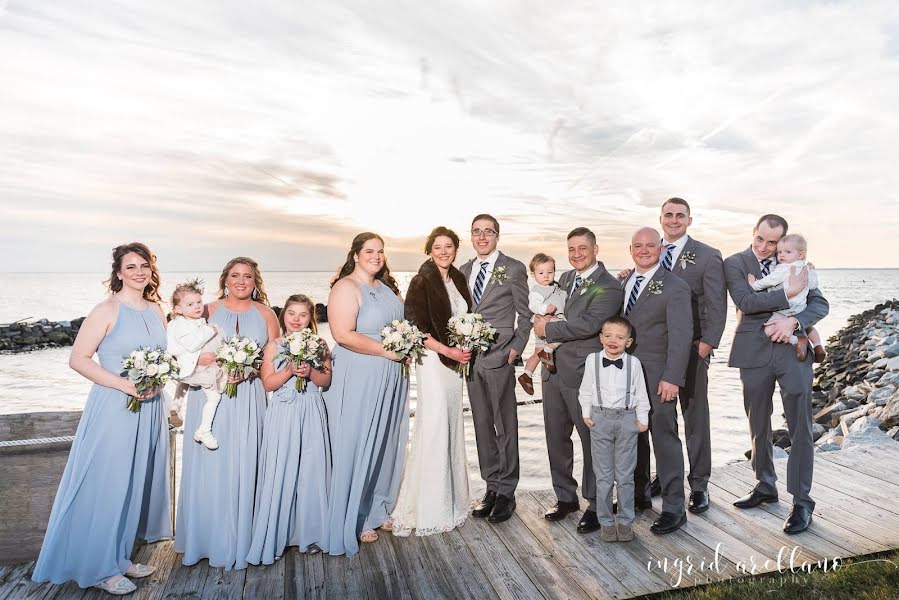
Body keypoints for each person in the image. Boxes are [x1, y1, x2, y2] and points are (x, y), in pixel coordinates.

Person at [32, 243, 171, 595]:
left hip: (149, 408)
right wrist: (126, 384)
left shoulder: (157, 310)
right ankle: (99, 567)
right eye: (131, 266)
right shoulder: (106, 309)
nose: (139, 272)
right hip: (115, 407)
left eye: (144, 265)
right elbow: (78, 359)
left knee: (133, 484)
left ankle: (120, 557)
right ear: (119, 272)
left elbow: (164, 357)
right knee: (108, 484)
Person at [724, 214, 828, 534]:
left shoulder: (798, 265)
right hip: (752, 352)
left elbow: (820, 304)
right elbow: (746, 300)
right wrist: (787, 294)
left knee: (800, 426)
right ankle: (765, 485)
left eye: (773, 242)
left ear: (783, 240)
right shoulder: (735, 263)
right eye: (761, 239)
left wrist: (793, 323)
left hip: (792, 352)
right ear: (753, 234)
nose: (766, 247)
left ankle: (802, 501)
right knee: (758, 424)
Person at [174, 257, 280, 570]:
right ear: (225, 279)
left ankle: (245, 538)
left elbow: (274, 358)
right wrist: (205, 362)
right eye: (235, 275)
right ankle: (206, 538)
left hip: (249, 397)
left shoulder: (266, 314)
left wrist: (249, 368)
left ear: (255, 281)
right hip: (208, 395)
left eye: (247, 276)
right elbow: (181, 349)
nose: (241, 281)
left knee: (247, 462)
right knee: (211, 464)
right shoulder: (206, 309)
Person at [324, 232, 410, 556]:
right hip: (359, 372)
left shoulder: (387, 289)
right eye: (369, 251)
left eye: (381, 251)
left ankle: (379, 507)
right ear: (356, 255)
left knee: (386, 440)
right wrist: (387, 351)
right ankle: (355, 517)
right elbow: (342, 334)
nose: (376, 256)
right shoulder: (345, 287)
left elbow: (405, 325)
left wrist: (409, 346)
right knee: (358, 440)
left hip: (392, 374)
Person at [533, 227, 624, 534]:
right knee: (556, 437)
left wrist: (548, 330)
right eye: (571, 249)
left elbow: (590, 324)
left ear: (596, 249)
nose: (576, 254)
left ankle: (597, 505)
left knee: (591, 442)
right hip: (552, 370)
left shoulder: (609, 286)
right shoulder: (567, 279)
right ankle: (565, 497)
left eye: (582, 248)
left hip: (584, 374)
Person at [391, 226, 474, 536]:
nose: (443, 251)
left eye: (449, 246)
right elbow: (415, 327)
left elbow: (465, 317)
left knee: (451, 425)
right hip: (433, 361)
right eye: (437, 247)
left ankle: (453, 499)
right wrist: (447, 349)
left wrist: (468, 342)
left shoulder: (458, 278)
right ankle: (431, 505)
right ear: (429, 250)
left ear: (455, 249)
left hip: (455, 365)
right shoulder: (421, 280)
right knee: (435, 425)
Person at [650, 197, 727, 514]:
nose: (673, 220)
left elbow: (717, 304)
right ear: (661, 218)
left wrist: (708, 342)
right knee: (661, 418)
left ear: (689, 220)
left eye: (680, 215)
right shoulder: (651, 253)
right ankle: (666, 476)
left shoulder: (708, 256)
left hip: (694, 348)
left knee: (695, 418)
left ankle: (699, 485)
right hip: (658, 350)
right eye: (668, 215)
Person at [247, 294, 332, 563]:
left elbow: (326, 379)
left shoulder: (319, 344)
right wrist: (289, 372)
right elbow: (268, 383)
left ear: (311, 319)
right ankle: (278, 534)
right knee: (281, 468)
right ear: (284, 316)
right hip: (283, 411)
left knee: (312, 468)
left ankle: (312, 533)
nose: (296, 319)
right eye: (292, 314)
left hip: (311, 408)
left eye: (303, 315)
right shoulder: (273, 345)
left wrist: (309, 373)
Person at [459, 214, 532, 523]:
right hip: (470, 361)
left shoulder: (513, 268)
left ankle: (507, 492)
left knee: (505, 425)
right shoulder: (462, 271)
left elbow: (525, 315)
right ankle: (491, 486)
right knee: (482, 426)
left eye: (488, 231)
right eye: (477, 232)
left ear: (497, 236)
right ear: (472, 237)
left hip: (500, 356)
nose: (482, 237)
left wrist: (516, 349)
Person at [621, 227, 693, 534]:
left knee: (664, 440)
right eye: (638, 246)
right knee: (633, 440)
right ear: (631, 249)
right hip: (626, 377)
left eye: (650, 245)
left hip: (658, 378)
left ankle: (675, 508)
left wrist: (672, 377)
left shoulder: (675, 286)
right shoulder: (623, 282)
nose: (644, 250)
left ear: (661, 248)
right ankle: (639, 498)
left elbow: (682, 335)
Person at [579, 316, 650, 543]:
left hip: (627, 419)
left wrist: (642, 420)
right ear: (601, 338)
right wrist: (586, 413)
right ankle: (606, 522)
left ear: (628, 342)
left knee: (625, 476)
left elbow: (641, 394)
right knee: (604, 476)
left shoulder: (634, 363)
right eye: (608, 336)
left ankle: (626, 521)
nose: (613, 341)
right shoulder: (592, 360)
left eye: (619, 337)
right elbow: (586, 389)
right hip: (600, 419)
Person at [166, 279, 226, 450]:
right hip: (194, 366)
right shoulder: (183, 325)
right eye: (190, 304)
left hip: (185, 368)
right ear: (178, 309)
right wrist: (209, 330)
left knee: (183, 381)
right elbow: (193, 344)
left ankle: (176, 406)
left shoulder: (181, 322)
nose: (197, 306)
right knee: (214, 397)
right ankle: (204, 430)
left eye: (199, 302)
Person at [748, 233, 825, 362]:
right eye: (780, 252)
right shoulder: (806, 269)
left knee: (768, 330)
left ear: (801, 255)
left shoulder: (784, 268)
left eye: (787, 252)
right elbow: (813, 285)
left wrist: (754, 285)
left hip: (785, 309)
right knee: (809, 326)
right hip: (800, 308)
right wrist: (812, 271)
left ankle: (796, 341)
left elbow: (770, 281)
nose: (782, 255)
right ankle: (818, 345)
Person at [518, 253, 567, 395]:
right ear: (533, 275)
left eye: (550, 272)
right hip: (551, 320)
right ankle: (548, 351)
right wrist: (545, 309)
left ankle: (527, 374)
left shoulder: (555, 287)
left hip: (542, 325)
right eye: (541, 273)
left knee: (536, 353)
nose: (546, 276)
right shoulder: (537, 290)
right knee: (562, 336)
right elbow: (533, 305)